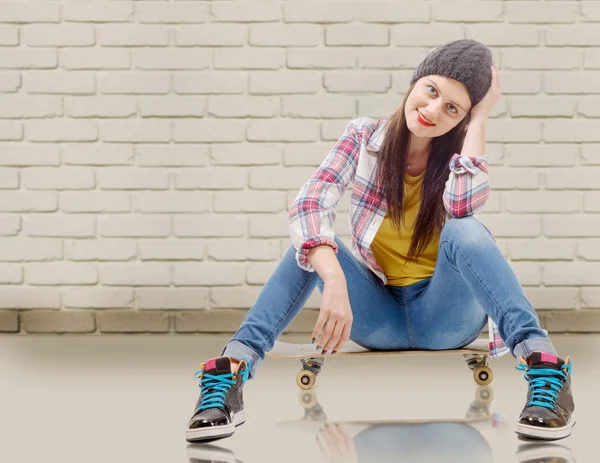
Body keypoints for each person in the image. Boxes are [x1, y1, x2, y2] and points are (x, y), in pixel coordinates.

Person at [185, 39, 575, 444]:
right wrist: (334, 280)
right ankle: (229, 376)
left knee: (464, 229)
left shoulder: (461, 151)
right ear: (415, 83)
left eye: (452, 109)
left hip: (446, 318)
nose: (432, 111)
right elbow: (311, 202)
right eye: (432, 91)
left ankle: (544, 369)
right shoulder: (363, 136)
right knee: (309, 247)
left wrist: (478, 121)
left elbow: (462, 208)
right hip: (379, 317)